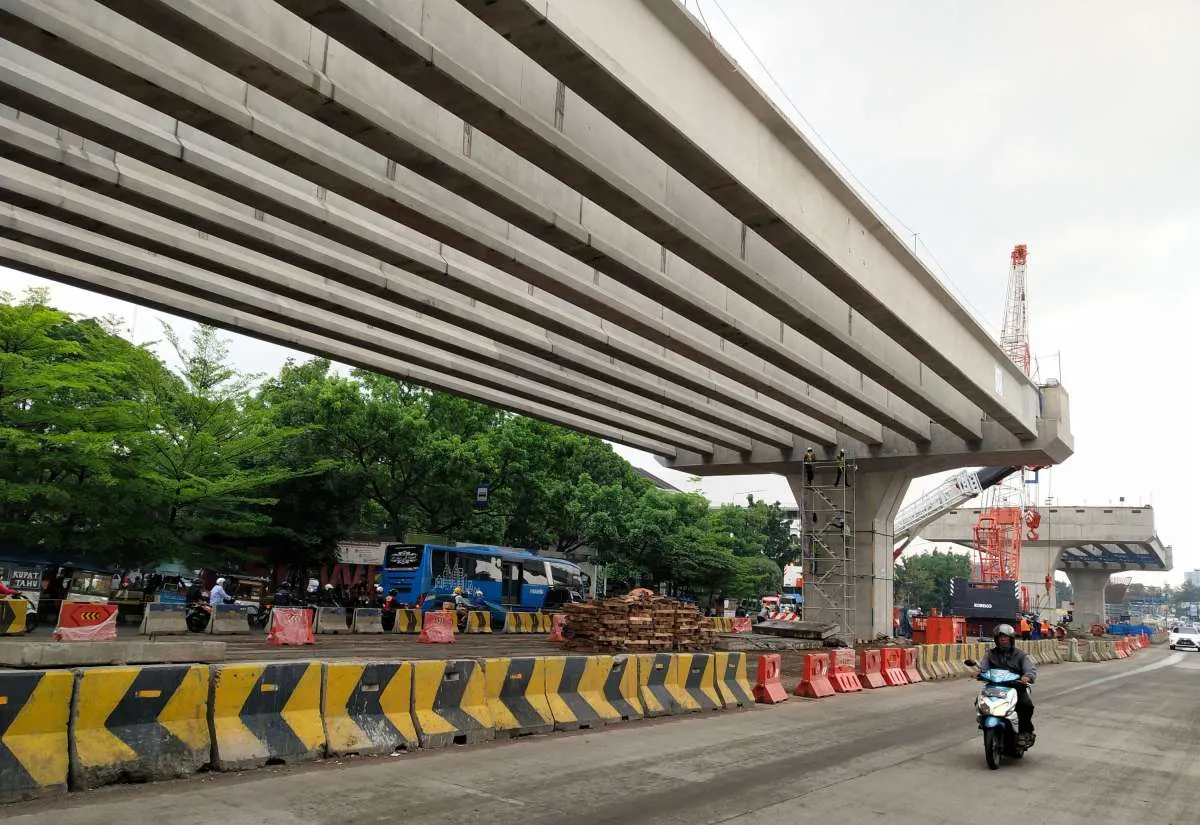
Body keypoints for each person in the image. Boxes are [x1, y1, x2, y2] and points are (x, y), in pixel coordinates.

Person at [977, 623, 1037, 747]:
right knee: (978, 701)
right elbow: (984, 667)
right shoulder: (991, 654)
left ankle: (1023, 732)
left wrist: (1027, 676)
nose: (1003, 639)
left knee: (1026, 705)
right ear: (996, 639)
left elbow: (1030, 668)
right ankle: (984, 721)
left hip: (1016, 687)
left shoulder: (1020, 655)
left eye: (1005, 637)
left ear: (1011, 638)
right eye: (1000, 637)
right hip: (994, 686)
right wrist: (978, 672)